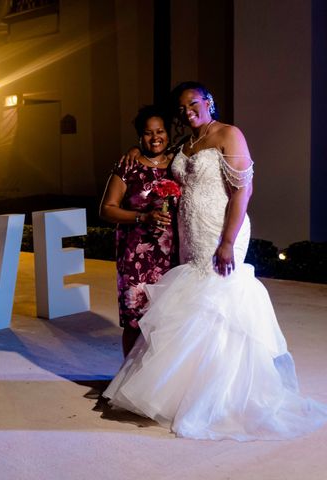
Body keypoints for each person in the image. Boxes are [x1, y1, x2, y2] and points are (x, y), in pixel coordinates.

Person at [102, 81, 327, 440]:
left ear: (208, 102)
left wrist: (227, 241)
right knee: (194, 305)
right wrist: (133, 148)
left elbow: (243, 190)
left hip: (220, 233)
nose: (187, 111)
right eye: (182, 108)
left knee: (220, 304)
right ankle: (186, 391)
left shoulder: (228, 134)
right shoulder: (185, 144)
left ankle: (221, 396)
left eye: (193, 103)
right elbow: (156, 158)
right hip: (190, 236)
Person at [99, 105, 177, 357]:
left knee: (167, 321)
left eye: (160, 131)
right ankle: (127, 382)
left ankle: (156, 385)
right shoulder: (128, 166)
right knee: (134, 322)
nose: (155, 138)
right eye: (147, 133)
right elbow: (107, 209)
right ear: (139, 137)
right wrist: (142, 216)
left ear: (169, 132)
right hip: (135, 258)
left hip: (172, 257)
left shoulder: (179, 165)